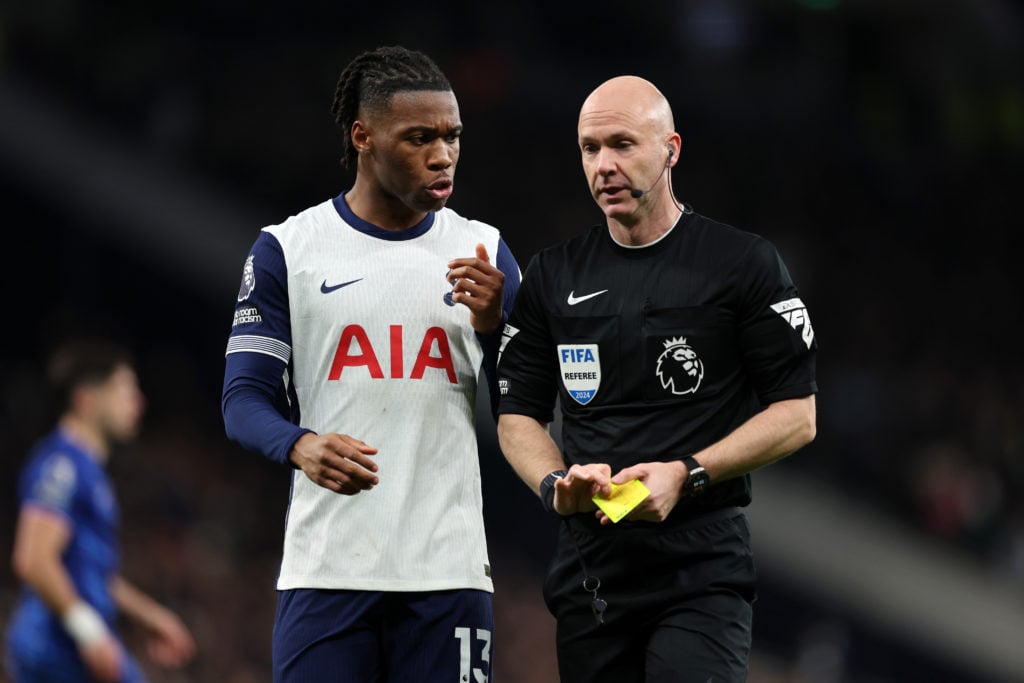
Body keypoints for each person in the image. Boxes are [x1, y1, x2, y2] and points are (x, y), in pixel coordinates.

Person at [495, 75, 818, 683]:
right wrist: (555, 482)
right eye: (590, 149)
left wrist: (686, 472)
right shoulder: (552, 274)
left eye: (622, 144)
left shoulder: (741, 264)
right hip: (593, 569)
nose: (604, 165)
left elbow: (797, 416)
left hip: (701, 567)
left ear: (671, 149)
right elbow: (517, 415)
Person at [221, 45, 521, 682]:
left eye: (452, 137)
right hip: (328, 573)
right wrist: (299, 445)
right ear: (363, 136)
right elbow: (242, 401)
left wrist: (495, 329)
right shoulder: (289, 250)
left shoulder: (486, 252)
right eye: (419, 138)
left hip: (448, 574)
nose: (442, 155)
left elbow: (522, 409)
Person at [5, 339, 196, 683]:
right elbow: (33, 558)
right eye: (124, 390)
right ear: (86, 400)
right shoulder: (62, 464)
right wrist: (90, 631)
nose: (138, 402)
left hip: (69, 649)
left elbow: (88, 572)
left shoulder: (90, 472)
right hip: (56, 651)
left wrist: (150, 616)